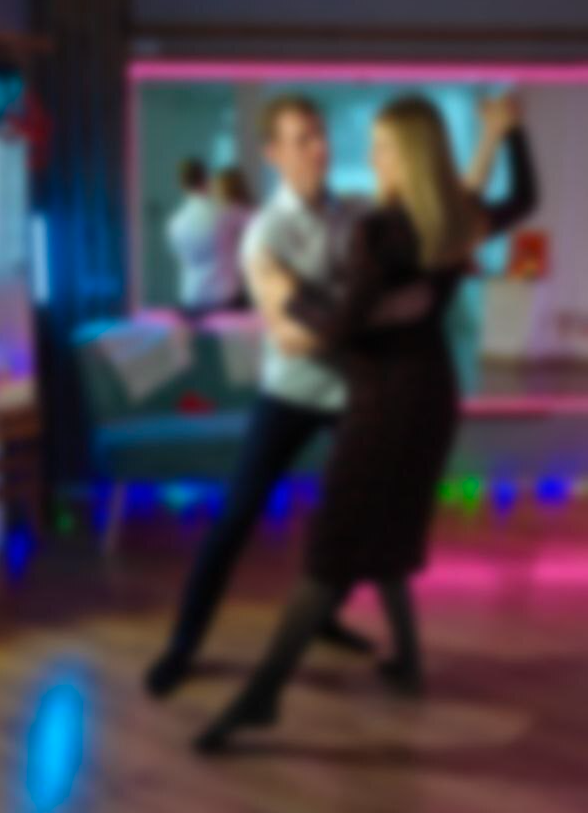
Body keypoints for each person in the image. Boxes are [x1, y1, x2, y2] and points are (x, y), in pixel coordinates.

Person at [193, 95, 537, 753]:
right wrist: (512, 132)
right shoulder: (453, 217)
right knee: (389, 533)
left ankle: (263, 694)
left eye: (380, 147)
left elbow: (340, 329)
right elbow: (524, 197)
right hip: (432, 396)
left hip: (384, 402)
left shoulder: (381, 230)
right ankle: (407, 662)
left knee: (330, 550)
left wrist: (283, 290)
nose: (369, 158)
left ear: (405, 156)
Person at [146, 95, 449, 699]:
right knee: (235, 518)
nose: (320, 148)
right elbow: (288, 335)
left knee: (366, 519)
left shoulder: (360, 214)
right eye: (304, 138)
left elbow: (423, 255)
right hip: (289, 393)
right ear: (273, 153)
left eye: (322, 135)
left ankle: (329, 619)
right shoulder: (264, 232)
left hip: (354, 394)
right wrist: (379, 314)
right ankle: (182, 646)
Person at [166, 158, 244, 318]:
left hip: (192, 298)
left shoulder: (175, 223)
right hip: (224, 298)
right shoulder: (226, 212)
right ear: (207, 180)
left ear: (182, 185)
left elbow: (180, 257)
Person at [211, 167, 255, 311]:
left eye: (216, 187)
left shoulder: (228, 216)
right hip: (239, 285)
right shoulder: (247, 213)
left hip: (232, 286)